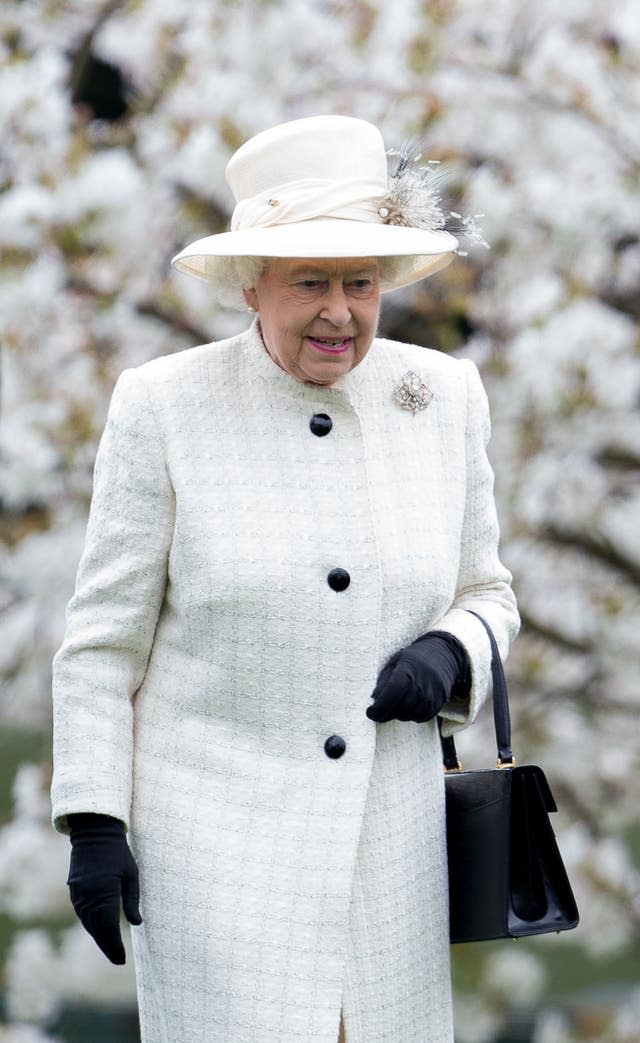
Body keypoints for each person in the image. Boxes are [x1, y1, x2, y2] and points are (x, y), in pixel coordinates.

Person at [51, 114, 520, 1043]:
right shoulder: (165, 407)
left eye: (361, 282)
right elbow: (103, 644)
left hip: (392, 852)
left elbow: (490, 593)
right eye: (311, 282)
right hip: (215, 856)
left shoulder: (444, 397)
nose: (340, 312)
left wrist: (451, 649)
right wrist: (93, 818)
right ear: (253, 286)